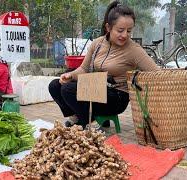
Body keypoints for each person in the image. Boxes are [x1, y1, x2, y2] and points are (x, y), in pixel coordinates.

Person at [48, 1, 159, 129]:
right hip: (97, 88)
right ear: (108, 27)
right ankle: (80, 117)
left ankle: (85, 123)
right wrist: (70, 75)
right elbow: (84, 69)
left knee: (68, 89)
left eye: (129, 31)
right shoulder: (97, 43)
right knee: (56, 85)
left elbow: (156, 72)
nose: (125, 35)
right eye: (120, 30)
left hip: (116, 96)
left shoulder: (134, 50)